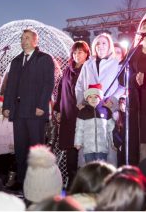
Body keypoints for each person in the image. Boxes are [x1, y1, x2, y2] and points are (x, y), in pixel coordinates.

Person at [3, 29, 55, 184]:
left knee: (36, 148)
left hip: (34, 111)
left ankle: (38, 182)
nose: (23, 40)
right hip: (18, 112)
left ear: (35, 41)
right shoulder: (16, 61)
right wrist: (7, 105)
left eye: (27, 38)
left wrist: (41, 105)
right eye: (22, 38)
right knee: (20, 150)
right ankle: (23, 182)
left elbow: (48, 83)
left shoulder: (43, 59)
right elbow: (10, 86)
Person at [54, 40, 90, 187]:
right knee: (70, 148)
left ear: (87, 54)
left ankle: (84, 181)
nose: (77, 55)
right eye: (74, 52)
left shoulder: (89, 68)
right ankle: (72, 180)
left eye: (80, 52)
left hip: (83, 112)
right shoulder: (68, 70)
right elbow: (60, 91)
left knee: (82, 146)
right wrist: (57, 109)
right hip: (68, 113)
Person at [120, 16, 146, 164]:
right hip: (139, 108)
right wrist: (134, 79)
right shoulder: (134, 52)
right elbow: (121, 77)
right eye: (144, 27)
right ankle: (144, 184)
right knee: (143, 148)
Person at [75, 33, 124, 113]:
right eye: (98, 43)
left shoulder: (116, 63)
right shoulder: (87, 64)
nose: (100, 46)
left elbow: (122, 86)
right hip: (89, 107)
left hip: (108, 108)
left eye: (104, 43)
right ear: (94, 46)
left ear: (109, 46)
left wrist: (112, 100)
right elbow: (79, 85)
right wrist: (80, 103)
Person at [74, 84, 115, 163]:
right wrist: (78, 142)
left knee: (101, 169)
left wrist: (114, 143)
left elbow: (111, 128)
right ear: (87, 99)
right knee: (90, 169)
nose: (93, 99)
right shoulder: (83, 112)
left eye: (96, 97)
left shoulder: (106, 111)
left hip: (102, 148)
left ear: (100, 98)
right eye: (90, 97)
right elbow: (79, 128)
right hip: (88, 148)